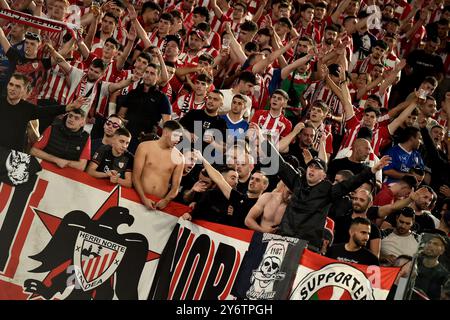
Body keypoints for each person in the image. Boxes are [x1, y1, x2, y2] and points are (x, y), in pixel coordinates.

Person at [253, 123, 391, 250]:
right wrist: (260, 137)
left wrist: (373, 170)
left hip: (307, 245)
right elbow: (279, 163)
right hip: (283, 239)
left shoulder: (329, 190)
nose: (311, 170)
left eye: (316, 168)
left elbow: (351, 183)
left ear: (323, 175)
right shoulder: (297, 181)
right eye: (310, 166)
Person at [0, 73, 84, 152]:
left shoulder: (27, 109)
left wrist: (70, 107)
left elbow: (48, 111)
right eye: (11, 84)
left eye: (17, 86)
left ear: (25, 90)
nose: (12, 89)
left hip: (13, 155)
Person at [185, 150, 269, 229]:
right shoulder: (239, 198)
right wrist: (203, 159)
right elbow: (219, 179)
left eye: (257, 180)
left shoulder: (265, 207)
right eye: (252, 179)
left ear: (265, 186)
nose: (252, 181)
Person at [118, 63, 172, 154]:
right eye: (146, 72)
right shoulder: (133, 93)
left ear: (158, 77)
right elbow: (121, 115)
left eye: (152, 73)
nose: (148, 75)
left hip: (147, 141)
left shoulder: (162, 98)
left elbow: (167, 125)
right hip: (126, 138)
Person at [132, 120, 185, 210]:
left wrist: (166, 200)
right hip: (136, 197)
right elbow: (135, 177)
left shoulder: (179, 158)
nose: (178, 140)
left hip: (158, 204)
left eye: (180, 137)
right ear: (165, 132)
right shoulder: (144, 147)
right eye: (175, 136)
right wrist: (143, 198)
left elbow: (175, 187)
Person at [414, 234, 449, 300]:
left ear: (442, 251)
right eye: (429, 242)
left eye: (435, 244)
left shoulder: (443, 275)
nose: (430, 245)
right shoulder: (414, 262)